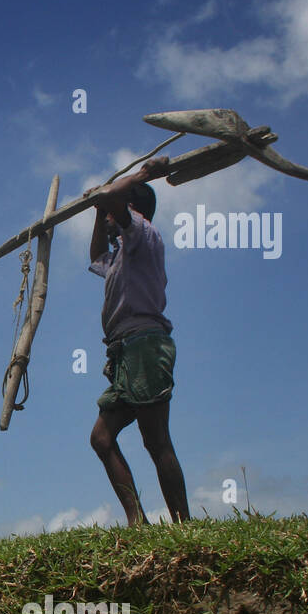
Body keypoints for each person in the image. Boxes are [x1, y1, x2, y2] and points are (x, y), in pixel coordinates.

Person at [85, 155, 189, 526]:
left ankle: (183, 524)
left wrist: (142, 176)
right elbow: (96, 254)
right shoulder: (119, 256)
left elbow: (116, 196)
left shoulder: (143, 234)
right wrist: (99, 209)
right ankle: (137, 520)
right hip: (125, 352)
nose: (110, 217)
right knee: (102, 438)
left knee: (155, 440)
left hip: (145, 345)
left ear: (130, 209)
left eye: (113, 212)